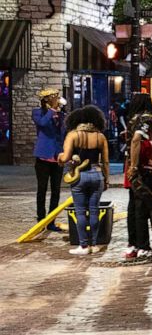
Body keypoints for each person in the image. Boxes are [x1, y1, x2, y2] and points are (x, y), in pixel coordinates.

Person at [58, 106, 110, 255]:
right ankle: (94, 245)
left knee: (80, 211)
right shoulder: (100, 137)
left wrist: (60, 157)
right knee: (94, 210)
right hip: (97, 174)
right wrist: (106, 180)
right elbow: (105, 162)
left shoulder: (73, 135)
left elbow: (66, 157)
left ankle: (83, 246)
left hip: (79, 175)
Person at [123, 94, 152, 261]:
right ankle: (143, 246)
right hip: (141, 170)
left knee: (133, 207)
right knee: (142, 208)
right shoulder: (145, 120)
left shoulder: (132, 119)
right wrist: (134, 166)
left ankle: (132, 244)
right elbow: (136, 140)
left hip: (132, 168)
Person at [32, 88, 65, 232]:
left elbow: (64, 132)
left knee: (56, 190)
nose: (57, 99)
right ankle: (41, 220)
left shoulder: (61, 114)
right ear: (46, 99)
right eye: (54, 97)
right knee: (42, 189)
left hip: (57, 156)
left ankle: (51, 221)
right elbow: (43, 124)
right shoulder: (37, 112)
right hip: (43, 156)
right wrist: (52, 111)